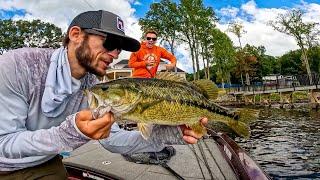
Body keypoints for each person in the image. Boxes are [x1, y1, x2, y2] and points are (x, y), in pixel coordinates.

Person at [0, 10, 207, 179]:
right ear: (75, 35)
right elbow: (3, 144)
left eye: (119, 49)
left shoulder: (93, 85)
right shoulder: (17, 66)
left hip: (44, 161)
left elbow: (113, 140)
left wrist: (167, 135)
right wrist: (68, 134)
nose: (116, 54)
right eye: (110, 44)